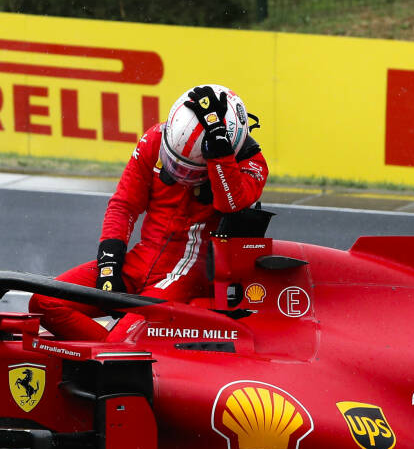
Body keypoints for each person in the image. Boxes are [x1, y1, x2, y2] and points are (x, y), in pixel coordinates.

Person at [29, 84, 269, 341]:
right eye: (173, 162)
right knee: (43, 303)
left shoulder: (252, 163)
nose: (180, 173)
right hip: (140, 260)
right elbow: (124, 204)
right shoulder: (157, 137)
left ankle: (115, 360)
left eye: (190, 170)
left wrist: (220, 156)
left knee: (123, 343)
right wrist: (109, 264)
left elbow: (230, 203)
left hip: (187, 275)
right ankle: (108, 361)